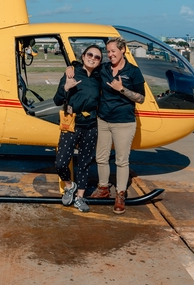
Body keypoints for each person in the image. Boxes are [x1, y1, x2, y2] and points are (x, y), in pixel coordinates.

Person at [90, 37, 145, 214]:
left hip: (124, 122)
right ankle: (103, 188)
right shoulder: (104, 68)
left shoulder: (134, 71)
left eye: (113, 51)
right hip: (104, 120)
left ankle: (120, 193)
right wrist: (71, 69)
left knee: (122, 160)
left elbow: (141, 98)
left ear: (123, 50)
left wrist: (121, 89)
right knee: (101, 157)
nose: (110, 54)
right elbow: (87, 69)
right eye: (108, 51)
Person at [54, 45, 103, 213]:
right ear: (83, 56)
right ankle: (69, 186)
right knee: (61, 162)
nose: (93, 58)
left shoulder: (99, 77)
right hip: (71, 123)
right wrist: (66, 87)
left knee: (84, 163)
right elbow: (56, 99)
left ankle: (80, 197)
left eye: (97, 57)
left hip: (90, 126)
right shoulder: (72, 73)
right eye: (90, 54)